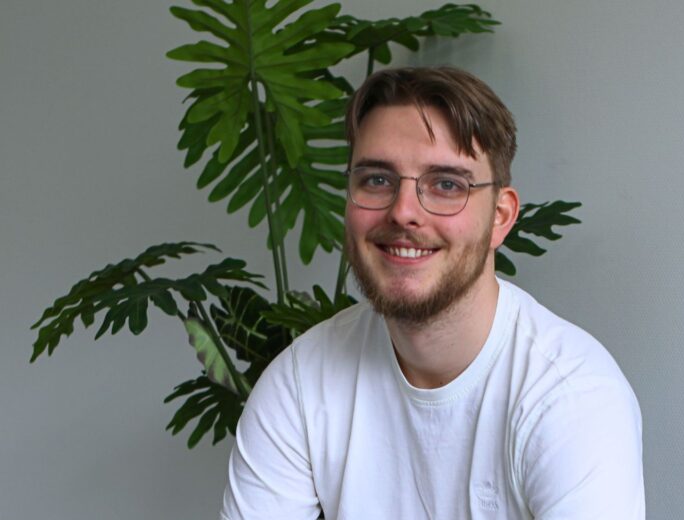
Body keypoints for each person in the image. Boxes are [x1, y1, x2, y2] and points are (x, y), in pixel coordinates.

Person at [221, 66, 645, 519]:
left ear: (501, 217)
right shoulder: (301, 384)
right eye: (377, 180)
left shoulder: (571, 397)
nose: (403, 212)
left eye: (446, 185)